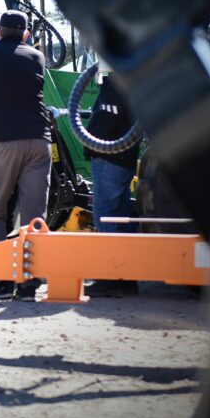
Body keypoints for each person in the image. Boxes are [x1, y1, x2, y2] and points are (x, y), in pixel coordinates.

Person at [0, 10, 52, 300]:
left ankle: (2, 281)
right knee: (34, 217)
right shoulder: (36, 57)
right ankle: (29, 283)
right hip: (39, 141)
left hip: (2, 142)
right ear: (26, 33)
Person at [83, 76, 141, 297]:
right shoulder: (131, 79)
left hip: (110, 158)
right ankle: (127, 278)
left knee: (105, 215)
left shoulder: (116, 83)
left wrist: (89, 142)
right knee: (120, 214)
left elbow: (108, 119)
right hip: (124, 157)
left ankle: (111, 278)